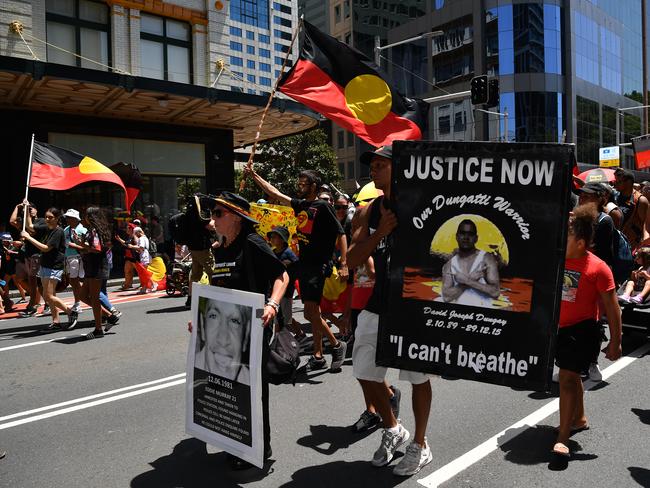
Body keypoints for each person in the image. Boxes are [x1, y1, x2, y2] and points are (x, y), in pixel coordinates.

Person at [347, 145, 431, 477]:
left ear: (400, 169)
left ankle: (420, 445)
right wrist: (379, 233)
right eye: (373, 165)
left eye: (381, 164)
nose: (374, 169)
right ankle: (394, 428)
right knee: (365, 371)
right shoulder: (368, 211)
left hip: (414, 303)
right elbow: (351, 260)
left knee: (416, 376)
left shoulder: (420, 201)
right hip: (379, 302)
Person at [190, 191, 288, 470]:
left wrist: (272, 304)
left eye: (218, 214)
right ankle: (238, 439)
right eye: (212, 214)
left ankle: (260, 447)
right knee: (230, 386)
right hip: (224, 331)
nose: (213, 219)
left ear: (236, 218)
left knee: (254, 390)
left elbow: (282, 275)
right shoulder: (220, 248)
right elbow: (218, 291)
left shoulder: (253, 243)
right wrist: (201, 316)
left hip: (253, 329)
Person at [246, 167, 348, 372]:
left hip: (318, 265)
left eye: (304, 183)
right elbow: (275, 193)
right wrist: (254, 174)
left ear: (314, 186)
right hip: (305, 264)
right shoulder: (301, 205)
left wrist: (344, 263)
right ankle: (320, 354)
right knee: (313, 312)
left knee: (311, 313)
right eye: (299, 183)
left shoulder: (323, 206)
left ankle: (335, 346)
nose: (299, 187)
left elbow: (341, 233)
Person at [553, 203, 622, 458]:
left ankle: (563, 437)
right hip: (559, 329)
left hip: (583, 331)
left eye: (567, 234)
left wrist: (616, 342)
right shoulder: (558, 258)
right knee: (571, 377)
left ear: (581, 243)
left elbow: (613, 309)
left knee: (567, 379)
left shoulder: (598, 269)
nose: (560, 237)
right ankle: (579, 418)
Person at [20, 207, 78, 330]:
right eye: (46, 216)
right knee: (49, 295)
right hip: (45, 265)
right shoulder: (46, 228)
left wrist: (29, 238)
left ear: (57, 218)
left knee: (48, 296)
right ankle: (56, 321)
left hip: (54, 266)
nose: (47, 219)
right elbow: (30, 226)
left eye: (50, 217)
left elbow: (46, 248)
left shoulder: (58, 231)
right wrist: (26, 208)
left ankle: (71, 312)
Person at [441, 219, 500, 307]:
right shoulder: (450, 265)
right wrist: (469, 280)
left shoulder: (486, 259)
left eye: (470, 234)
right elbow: (446, 297)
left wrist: (466, 281)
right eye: (462, 233)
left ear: (476, 238)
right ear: (457, 237)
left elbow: (495, 292)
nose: (466, 237)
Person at [75, 207, 112, 340]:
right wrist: (81, 244)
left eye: (86, 215)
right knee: (83, 295)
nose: (84, 218)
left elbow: (96, 249)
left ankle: (98, 329)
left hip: (96, 268)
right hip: (91, 267)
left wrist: (80, 244)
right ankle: (110, 315)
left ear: (91, 217)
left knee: (94, 298)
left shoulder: (95, 231)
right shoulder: (94, 230)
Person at [195, 299, 252, 384]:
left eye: (234, 321)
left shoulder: (251, 384)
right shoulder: (193, 374)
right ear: (203, 325)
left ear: (246, 336)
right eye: (214, 316)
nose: (223, 340)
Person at [10, 201, 45, 317]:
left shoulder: (41, 221)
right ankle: (34, 304)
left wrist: (27, 213)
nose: (30, 210)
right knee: (33, 281)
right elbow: (12, 221)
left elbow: (32, 229)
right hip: (28, 255)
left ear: (37, 210)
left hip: (37, 255)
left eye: (32, 208)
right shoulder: (24, 222)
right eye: (28, 209)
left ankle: (36, 305)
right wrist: (17, 207)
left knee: (38, 282)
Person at [267, 226, 298, 333]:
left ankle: (281, 342)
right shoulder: (273, 252)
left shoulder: (288, 252)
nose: (271, 239)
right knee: (281, 316)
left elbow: (297, 264)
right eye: (271, 237)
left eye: (274, 237)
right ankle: (299, 334)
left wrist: (287, 265)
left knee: (284, 318)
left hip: (286, 289)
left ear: (282, 239)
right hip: (276, 289)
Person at [614, 168, 648, 249]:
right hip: (616, 244)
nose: (615, 184)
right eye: (615, 181)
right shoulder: (615, 196)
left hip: (631, 247)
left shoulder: (640, 200)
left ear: (629, 183)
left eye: (619, 182)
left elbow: (646, 225)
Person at [63, 209, 86, 314]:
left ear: (76, 219)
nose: (68, 219)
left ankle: (78, 302)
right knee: (73, 282)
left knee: (75, 281)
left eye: (70, 217)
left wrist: (73, 245)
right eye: (67, 217)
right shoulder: (66, 229)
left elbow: (85, 246)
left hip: (78, 258)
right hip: (68, 258)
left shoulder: (82, 230)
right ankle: (80, 300)